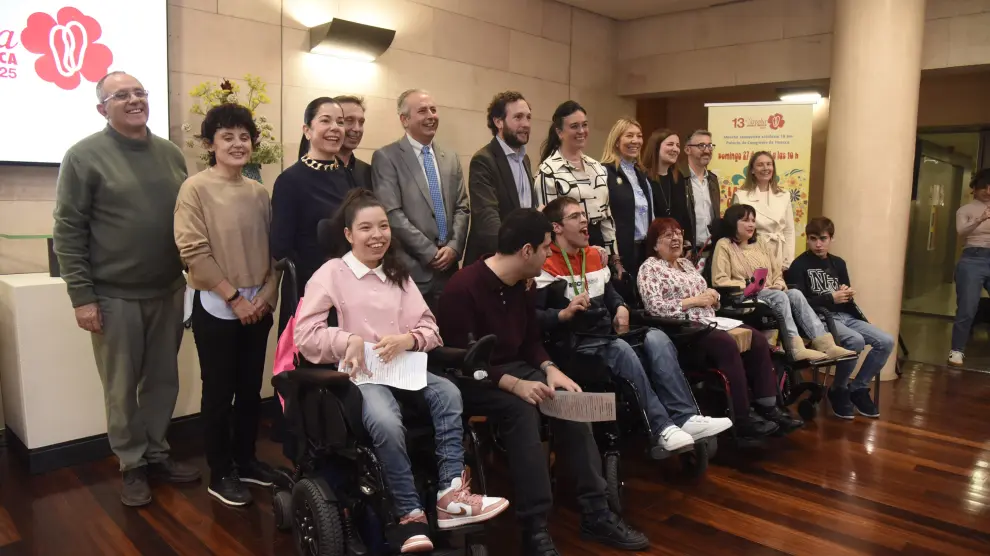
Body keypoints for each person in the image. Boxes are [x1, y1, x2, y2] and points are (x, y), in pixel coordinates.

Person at [293, 189, 508, 553]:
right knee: (385, 419)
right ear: (348, 234)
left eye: (382, 226)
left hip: (403, 368)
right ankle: (409, 514)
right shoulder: (332, 274)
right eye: (366, 228)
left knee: (449, 393)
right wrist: (347, 339)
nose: (377, 235)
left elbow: (430, 328)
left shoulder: (398, 274)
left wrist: (407, 339)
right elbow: (305, 335)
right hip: (361, 374)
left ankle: (450, 495)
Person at [436, 208, 650, 556]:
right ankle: (534, 528)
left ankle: (596, 513)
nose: (549, 254)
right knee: (522, 409)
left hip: (517, 368)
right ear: (526, 251)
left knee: (566, 398)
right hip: (473, 380)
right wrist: (512, 383)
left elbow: (530, 342)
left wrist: (550, 368)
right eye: (546, 248)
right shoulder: (463, 288)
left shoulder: (522, 285)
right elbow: (460, 360)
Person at [53, 71, 200, 507]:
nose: (134, 100)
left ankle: (157, 453)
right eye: (121, 95)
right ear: (102, 108)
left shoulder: (171, 154)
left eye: (139, 92)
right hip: (113, 295)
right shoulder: (83, 156)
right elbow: (68, 230)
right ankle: (131, 463)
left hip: (168, 289)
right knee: (120, 387)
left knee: (162, 381)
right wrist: (82, 297)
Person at [536, 197, 735, 449]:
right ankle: (661, 427)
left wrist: (620, 305)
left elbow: (610, 294)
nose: (584, 220)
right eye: (575, 217)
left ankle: (686, 417)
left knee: (656, 337)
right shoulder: (544, 263)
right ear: (557, 228)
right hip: (573, 345)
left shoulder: (594, 257)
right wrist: (562, 314)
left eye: (584, 215)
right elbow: (534, 316)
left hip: (605, 336)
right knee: (621, 350)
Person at [174, 103, 280, 506]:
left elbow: (274, 249)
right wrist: (234, 298)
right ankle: (221, 471)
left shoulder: (259, 192)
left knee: (251, 388)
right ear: (210, 144)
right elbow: (193, 250)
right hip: (218, 304)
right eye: (227, 136)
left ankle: (246, 460)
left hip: (259, 305)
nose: (238, 144)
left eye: (244, 136)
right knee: (219, 390)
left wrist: (267, 295)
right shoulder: (195, 188)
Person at [638, 218, 803, 437]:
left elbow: (707, 293)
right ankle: (743, 419)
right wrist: (695, 301)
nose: (676, 238)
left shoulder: (686, 265)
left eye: (678, 233)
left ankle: (769, 406)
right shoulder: (650, 268)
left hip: (708, 321)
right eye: (668, 235)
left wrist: (713, 296)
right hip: (683, 329)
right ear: (655, 244)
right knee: (727, 344)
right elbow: (655, 307)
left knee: (757, 339)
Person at [711, 204, 857, 362]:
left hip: (768, 293)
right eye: (746, 220)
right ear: (734, 222)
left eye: (753, 220)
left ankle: (826, 344)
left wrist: (779, 284)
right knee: (779, 297)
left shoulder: (761, 243)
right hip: (742, 298)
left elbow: (776, 273)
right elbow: (719, 279)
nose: (751, 224)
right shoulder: (724, 245)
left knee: (794, 293)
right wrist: (750, 285)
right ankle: (795, 347)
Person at [271, 97, 362, 333]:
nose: (335, 128)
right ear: (307, 130)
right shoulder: (290, 181)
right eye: (326, 121)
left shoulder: (348, 176)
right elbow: (280, 246)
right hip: (310, 289)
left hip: (352, 287)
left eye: (340, 122)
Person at [372, 89, 469, 309]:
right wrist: (430, 252)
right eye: (422, 110)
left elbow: (463, 207)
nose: (431, 115)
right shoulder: (387, 157)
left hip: (451, 272)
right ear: (404, 120)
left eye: (433, 110)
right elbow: (391, 213)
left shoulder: (451, 158)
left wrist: (454, 247)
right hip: (411, 273)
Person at [788, 217, 894, 419]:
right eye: (813, 239)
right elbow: (799, 305)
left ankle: (858, 387)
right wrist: (831, 298)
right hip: (820, 320)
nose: (818, 244)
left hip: (845, 315)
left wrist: (846, 293)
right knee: (856, 340)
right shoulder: (798, 265)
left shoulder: (838, 263)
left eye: (823, 238)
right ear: (807, 239)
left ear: (831, 239)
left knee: (886, 341)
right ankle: (838, 388)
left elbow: (842, 297)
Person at [534, 101, 621, 275]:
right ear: (559, 132)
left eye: (584, 125)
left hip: (600, 247)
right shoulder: (548, 171)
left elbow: (607, 216)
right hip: (568, 249)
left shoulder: (597, 167)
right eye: (574, 126)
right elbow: (549, 222)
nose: (581, 131)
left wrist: (615, 257)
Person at [464, 91, 536, 265]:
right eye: (518, 117)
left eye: (528, 117)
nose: (526, 124)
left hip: (523, 260)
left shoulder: (525, 159)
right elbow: (488, 221)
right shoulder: (483, 160)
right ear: (498, 122)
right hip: (494, 263)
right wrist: (514, 258)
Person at [600, 118, 654, 293]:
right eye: (629, 135)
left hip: (644, 251)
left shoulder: (641, 174)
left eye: (639, 136)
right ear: (616, 141)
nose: (636, 141)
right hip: (620, 253)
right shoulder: (604, 172)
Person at [948, 169, 990, 367]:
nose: (988, 192)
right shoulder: (965, 210)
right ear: (974, 188)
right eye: (983, 187)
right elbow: (961, 232)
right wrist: (980, 219)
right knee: (967, 308)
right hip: (972, 259)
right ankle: (957, 350)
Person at [732, 151, 796, 269]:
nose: (766, 168)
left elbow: (789, 230)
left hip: (778, 254)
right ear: (752, 170)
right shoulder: (741, 197)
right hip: (752, 253)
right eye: (760, 164)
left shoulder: (784, 195)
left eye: (769, 164)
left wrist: (788, 260)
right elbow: (735, 232)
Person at [680, 129, 721, 260]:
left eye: (709, 146)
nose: (707, 150)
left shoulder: (713, 180)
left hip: (711, 251)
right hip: (687, 252)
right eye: (701, 146)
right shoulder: (679, 178)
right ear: (687, 150)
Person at [641, 128, 689, 233]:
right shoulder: (642, 177)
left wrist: (687, 240)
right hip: (652, 241)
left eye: (677, 145)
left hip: (676, 240)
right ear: (656, 147)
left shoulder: (678, 177)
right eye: (670, 144)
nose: (675, 149)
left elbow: (684, 213)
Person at [335, 94, 373, 190]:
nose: (357, 129)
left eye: (361, 122)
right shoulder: (312, 171)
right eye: (349, 120)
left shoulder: (369, 172)